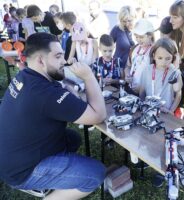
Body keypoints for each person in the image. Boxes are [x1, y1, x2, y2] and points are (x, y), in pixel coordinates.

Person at [0, 32, 107, 199]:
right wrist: (88, 76)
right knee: (96, 174)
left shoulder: (26, 75)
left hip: (12, 156)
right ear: (41, 61)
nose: (63, 61)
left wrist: (70, 95)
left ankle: (50, 178)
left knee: (73, 138)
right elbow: (98, 115)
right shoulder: (45, 93)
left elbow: (57, 97)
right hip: (21, 171)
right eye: (58, 56)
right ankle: (44, 191)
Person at [139, 37, 182, 114]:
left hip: (166, 112)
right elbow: (142, 92)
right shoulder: (147, 70)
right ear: (154, 55)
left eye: (168, 58)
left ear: (173, 57)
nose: (163, 62)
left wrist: (171, 111)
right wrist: (142, 106)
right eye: (160, 58)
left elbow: (178, 92)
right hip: (149, 110)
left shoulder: (174, 72)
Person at [124, 18, 155, 95]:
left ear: (150, 35)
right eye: (136, 37)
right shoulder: (134, 48)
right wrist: (127, 75)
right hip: (130, 90)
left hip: (145, 93)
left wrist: (142, 87)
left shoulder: (154, 51)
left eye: (141, 37)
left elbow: (157, 76)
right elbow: (128, 66)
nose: (138, 40)